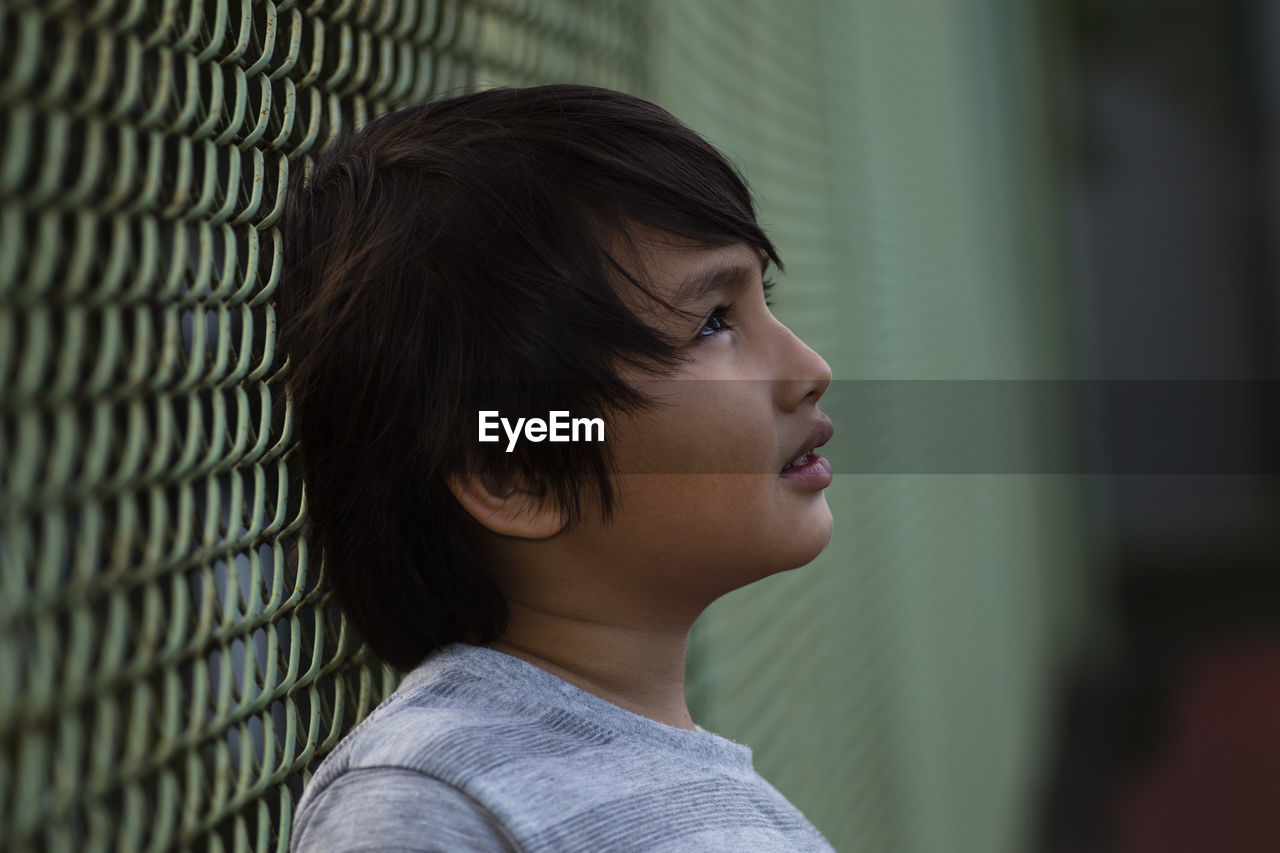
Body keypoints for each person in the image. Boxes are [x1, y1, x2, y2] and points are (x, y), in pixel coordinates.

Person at [280, 84, 836, 852]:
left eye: (761, 300)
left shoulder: (711, 791)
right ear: (518, 468)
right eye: (713, 322)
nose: (810, 368)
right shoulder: (429, 799)